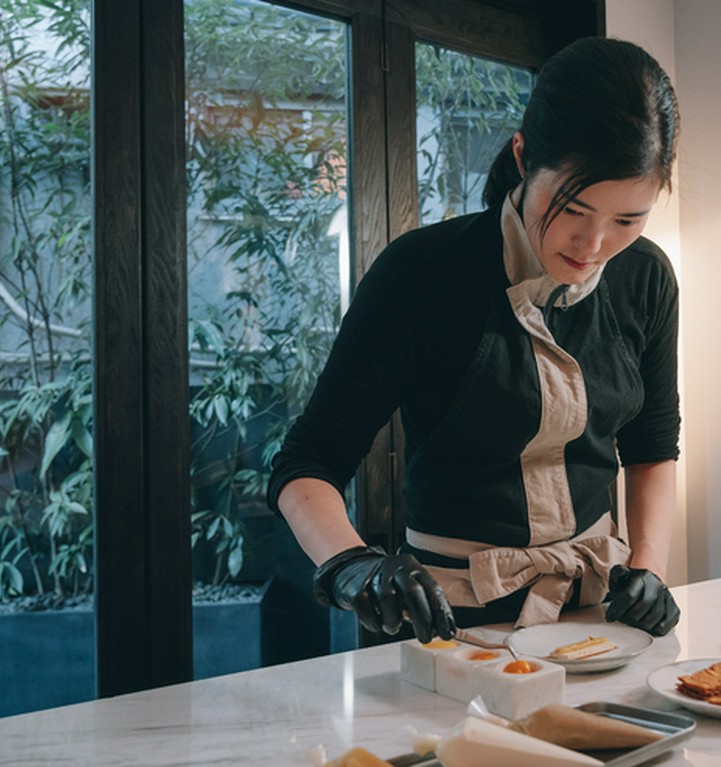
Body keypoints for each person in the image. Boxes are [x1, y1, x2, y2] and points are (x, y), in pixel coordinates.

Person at [267, 36, 682, 645]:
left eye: (627, 219)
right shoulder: (421, 274)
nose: (593, 245)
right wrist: (350, 564)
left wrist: (649, 570)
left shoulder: (645, 276)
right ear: (522, 156)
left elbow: (652, 444)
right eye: (573, 208)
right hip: (445, 622)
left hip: (595, 618)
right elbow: (306, 464)